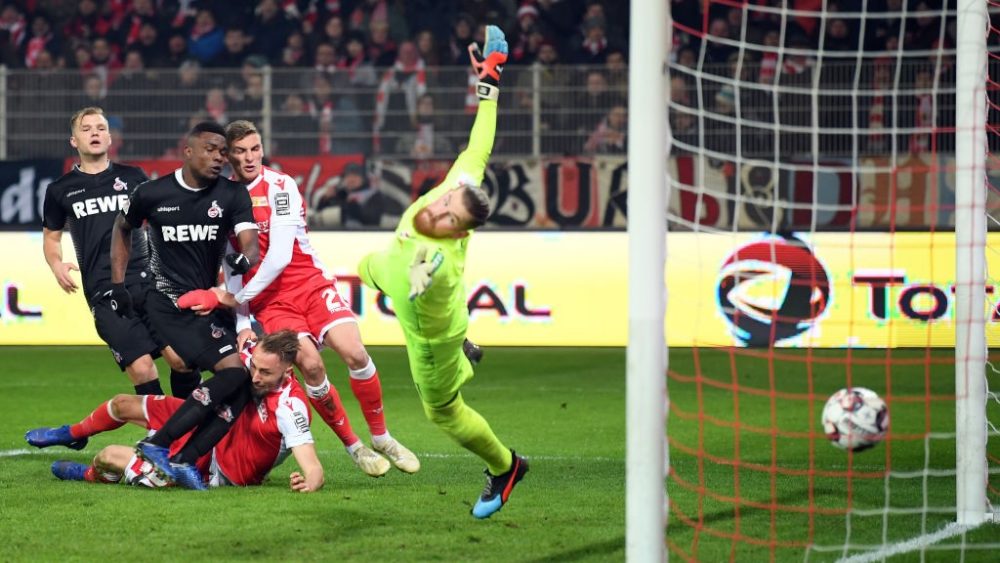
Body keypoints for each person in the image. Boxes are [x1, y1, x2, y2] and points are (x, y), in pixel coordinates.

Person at [181, 119, 419, 478]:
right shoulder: (224, 198)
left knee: (354, 352)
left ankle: (382, 436)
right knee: (310, 365)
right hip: (271, 303)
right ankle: (354, 446)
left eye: (256, 149)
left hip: (308, 283)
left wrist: (236, 299)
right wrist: (244, 321)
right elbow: (232, 264)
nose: (250, 158)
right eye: (241, 151)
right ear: (228, 155)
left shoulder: (280, 186)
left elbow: (278, 257)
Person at [356, 26, 528, 519]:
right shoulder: (455, 186)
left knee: (441, 412)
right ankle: (468, 356)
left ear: (458, 235)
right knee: (368, 267)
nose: (443, 210)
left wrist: (412, 278)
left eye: (452, 218)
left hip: (429, 334)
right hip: (393, 276)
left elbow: (420, 274)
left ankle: (506, 465)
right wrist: (490, 83)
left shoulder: (440, 261)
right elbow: (480, 147)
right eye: (448, 201)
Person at [109, 120, 260, 490]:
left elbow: (249, 240)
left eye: (224, 152)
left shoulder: (231, 194)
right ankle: (164, 447)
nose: (220, 158)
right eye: (212, 149)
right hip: (168, 304)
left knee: (241, 385)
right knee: (235, 372)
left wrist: (246, 258)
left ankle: (179, 456)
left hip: (207, 303)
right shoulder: (152, 193)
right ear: (188, 151)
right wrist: (118, 283)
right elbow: (122, 228)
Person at [27, 331, 324, 493]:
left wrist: (310, 481)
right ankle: (72, 434)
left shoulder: (289, 406)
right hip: (208, 424)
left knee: (109, 456)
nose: (255, 376)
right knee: (122, 403)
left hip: (215, 469)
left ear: (287, 371)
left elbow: (312, 465)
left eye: (265, 373)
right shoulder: (252, 360)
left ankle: (93, 476)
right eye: (254, 367)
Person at [39, 106, 199, 400]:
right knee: (142, 369)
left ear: (110, 138)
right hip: (104, 290)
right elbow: (51, 236)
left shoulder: (133, 177)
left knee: (182, 359)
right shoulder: (60, 190)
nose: (94, 134)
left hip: (149, 283)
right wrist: (56, 263)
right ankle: (165, 436)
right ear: (74, 141)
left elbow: (161, 221)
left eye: (100, 128)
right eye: (86, 129)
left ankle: (193, 427)